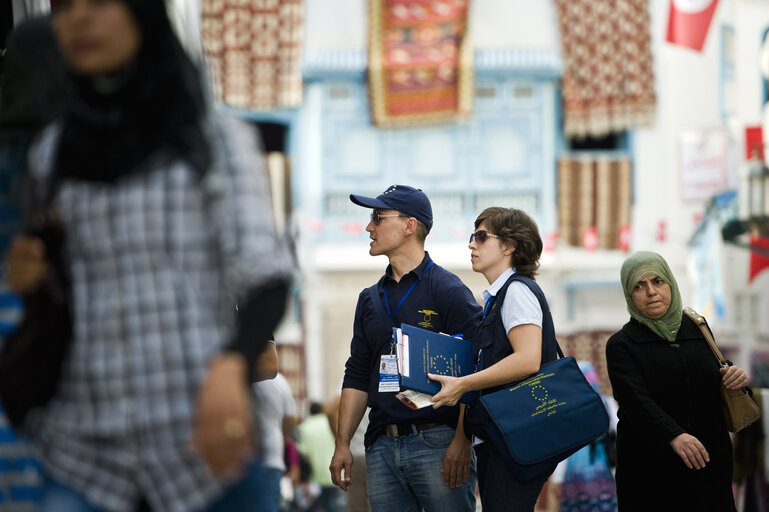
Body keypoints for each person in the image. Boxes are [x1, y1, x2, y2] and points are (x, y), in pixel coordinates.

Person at [4, 1, 292, 511]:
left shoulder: (212, 141)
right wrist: (35, 275)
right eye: (67, 6)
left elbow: (266, 276)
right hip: (84, 454)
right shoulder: (54, 153)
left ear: (143, 14)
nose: (80, 20)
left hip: (202, 452)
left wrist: (230, 367)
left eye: (100, 3)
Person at [329, 185, 481, 512]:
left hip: (438, 442)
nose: (369, 227)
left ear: (409, 226)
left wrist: (462, 439)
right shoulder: (369, 298)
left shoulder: (448, 289)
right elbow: (356, 373)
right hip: (381, 445)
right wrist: (342, 444)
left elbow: (476, 367)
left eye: (377, 218)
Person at [429, 206, 559, 512]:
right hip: (503, 437)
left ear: (510, 246)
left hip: (517, 435)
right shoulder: (500, 297)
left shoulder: (516, 291)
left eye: (481, 236)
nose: (471, 244)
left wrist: (463, 384)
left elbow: (528, 359)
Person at [605, 251, 749, 512]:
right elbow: (635, 400)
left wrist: (733, 377)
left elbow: (711, 379)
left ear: (670, 283)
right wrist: (673, 434)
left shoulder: (698, 329)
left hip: (709, 463)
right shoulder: (621, 345)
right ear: (629, 293)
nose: (651, 292)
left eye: (658, 281)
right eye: (639, 285)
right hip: (650, 469)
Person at [550, 361, 618, 512]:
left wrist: (557, 479)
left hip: (574, 467)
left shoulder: (567, 407)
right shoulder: (606, 402)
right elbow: (621, 430)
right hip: (601, 464)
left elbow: (563, 447)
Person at [253, 346, 297, 512]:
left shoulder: (241, 372)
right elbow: (290, 418)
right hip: (272, 457)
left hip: (246, 458)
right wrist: (283, 439)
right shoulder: (280, 381)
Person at [297, 402, 345, 512]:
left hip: (314, 476)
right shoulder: (332, 424)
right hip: (334, 473)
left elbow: (304, 454)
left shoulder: (304, 427)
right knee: (333, 506)